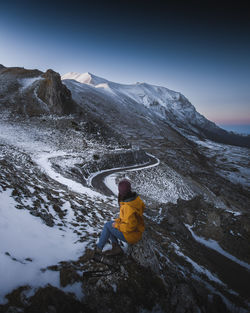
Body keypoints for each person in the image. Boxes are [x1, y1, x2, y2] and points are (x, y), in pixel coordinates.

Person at [95, 179, 145, 256]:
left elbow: (130, 227)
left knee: (108, 226)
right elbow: (128, 219)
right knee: (111, 224)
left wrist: (117, 225)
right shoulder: (135, 199)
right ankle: (116, 247)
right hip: (137, 231)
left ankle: (99, 248)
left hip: (132, 236)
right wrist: (117, 222)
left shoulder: (128, 207)